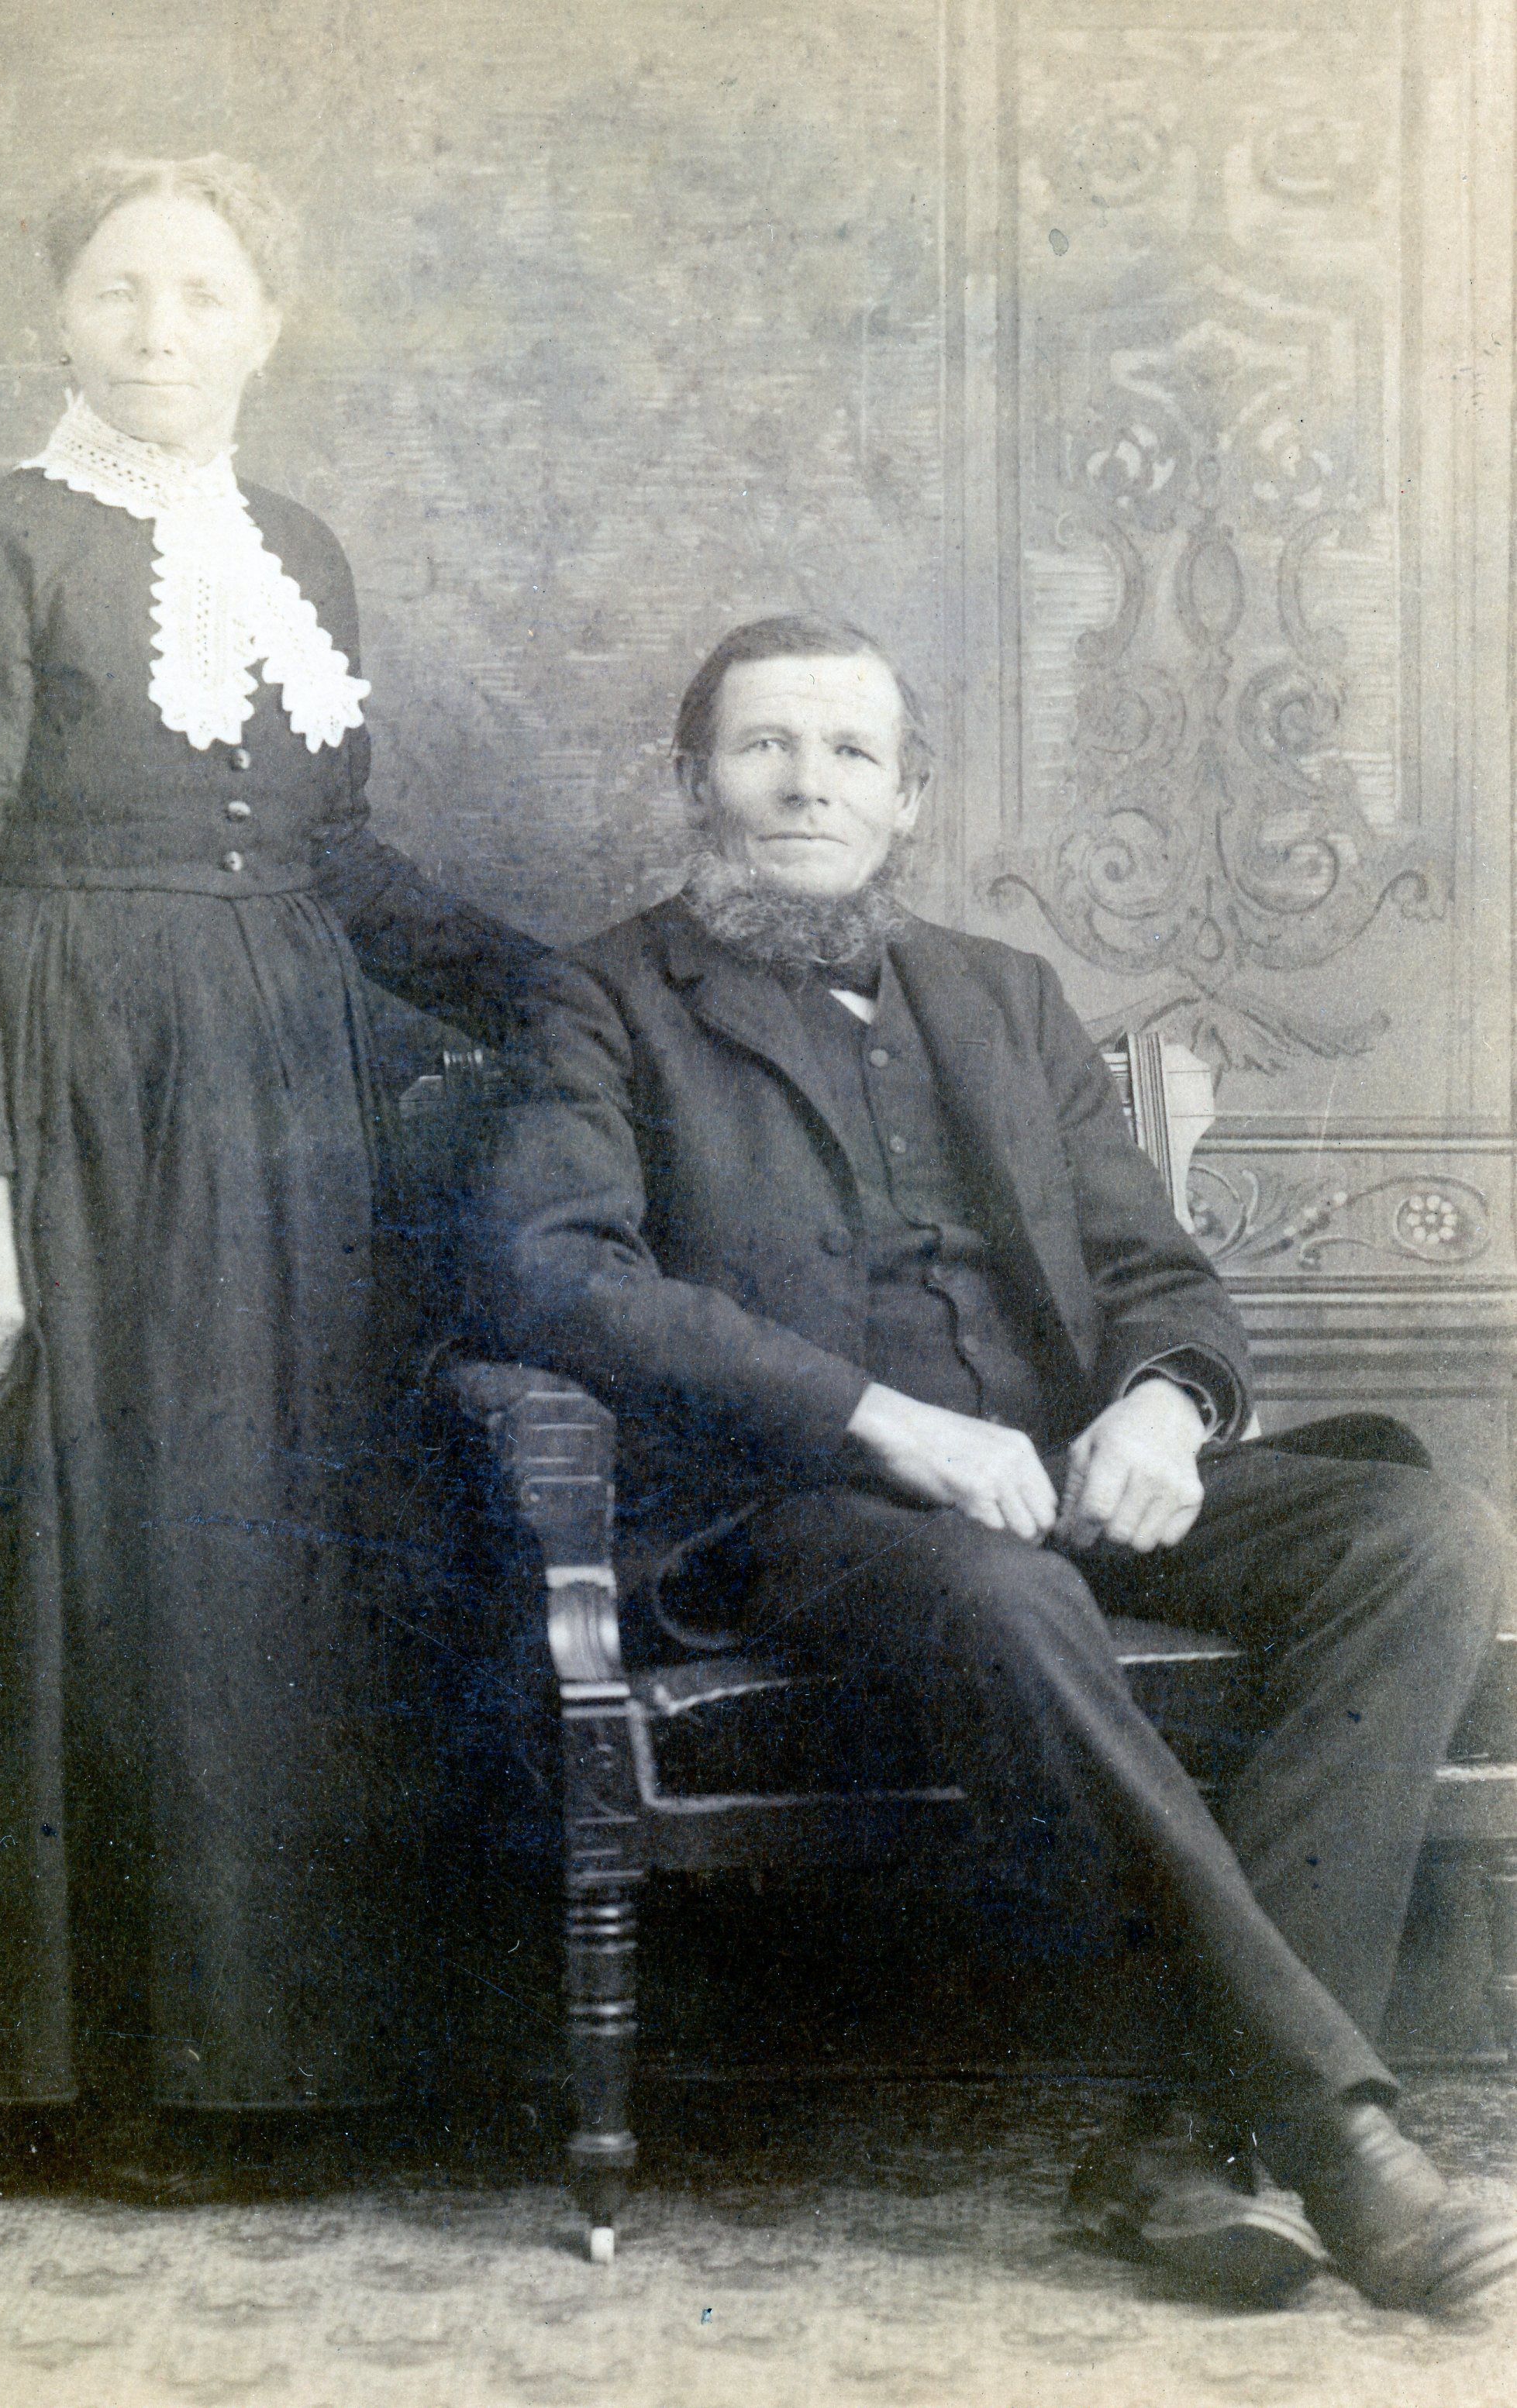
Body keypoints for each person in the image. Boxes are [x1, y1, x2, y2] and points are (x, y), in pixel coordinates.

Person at [474, 611, 1517, 2313]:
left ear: (909, 799)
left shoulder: (1004, 996)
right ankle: (1330, 2137)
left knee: (1421, 1533)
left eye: (851, 753)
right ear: (691, 784)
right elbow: (557, 1273)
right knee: (1006, 1592)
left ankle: (1178, 2137)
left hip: (1047, 1476)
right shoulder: (598, 997)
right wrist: (882, 1421)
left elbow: (1156, 1273)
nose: (806, 785)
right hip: (793, 1507)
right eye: (763, 747)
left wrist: (1162, 1407)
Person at [0, 153, 543, 2196]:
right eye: (121, 292)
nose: (160, 331)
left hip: (279, 1115)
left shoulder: (296, 549)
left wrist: (568, 991)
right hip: (69, 1093)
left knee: (248, 1557)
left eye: (204, 295)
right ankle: (61, 2080)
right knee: (97, 1559)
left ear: (268, 325)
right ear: (59, 315)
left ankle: (249, 2067)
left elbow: (334, 859)